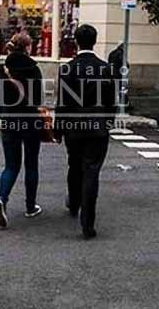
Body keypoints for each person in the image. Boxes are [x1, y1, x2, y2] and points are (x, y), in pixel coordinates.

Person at [55, 25, 115, 239]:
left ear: (76, 42)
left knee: (74, 165)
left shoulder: (67, 69)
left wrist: (58, 129)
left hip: (74, 128)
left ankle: (73, 202)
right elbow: (111, 103)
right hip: (97, 128)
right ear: (95, 42)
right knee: (91, 172)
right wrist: (107, 123)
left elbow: (61, 102)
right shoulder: (105, 69)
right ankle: (87, 223)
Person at [0, 32, 44, 228]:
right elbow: (38, 99)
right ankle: (30, 207)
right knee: (31, 164)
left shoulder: (2, 68)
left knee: (11, 166)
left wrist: (3, 115)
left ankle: (1, 198)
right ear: (27, 47)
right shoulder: (34, 68)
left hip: (9, 122)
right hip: (30, 122)